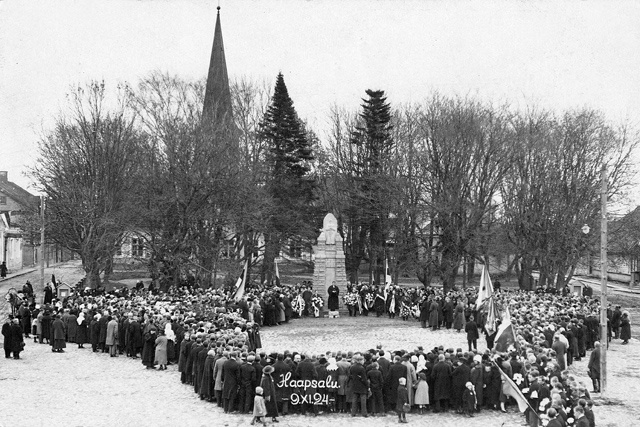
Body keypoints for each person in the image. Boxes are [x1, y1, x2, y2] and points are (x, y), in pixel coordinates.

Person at [349, 354, 369, 418]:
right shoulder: (362, 368)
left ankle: (353, 413)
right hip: (362, 385)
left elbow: (350, 376)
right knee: (363, 400)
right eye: (363, 360)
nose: (364, 361)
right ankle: (364, 413)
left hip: (354, 384)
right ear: (360, 361)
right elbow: (364, 378)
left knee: (354, 400)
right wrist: (367, 385)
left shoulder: (352, 367)